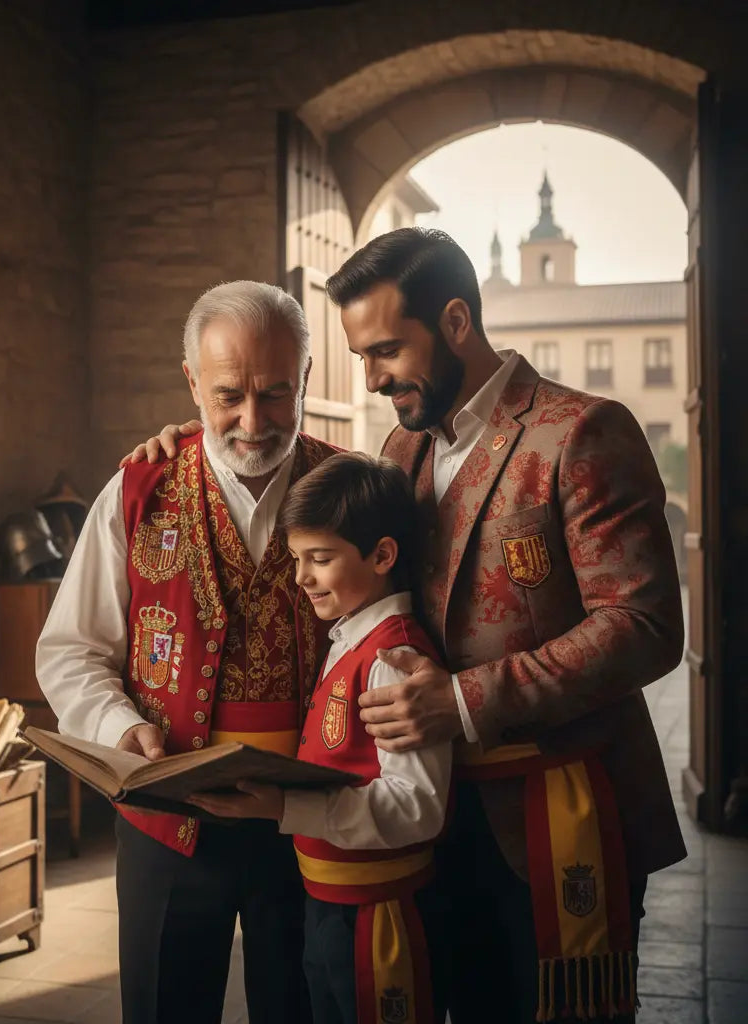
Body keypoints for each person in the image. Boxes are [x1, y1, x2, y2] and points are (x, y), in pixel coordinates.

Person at [127, 228, 686, 1024]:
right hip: (428, 828)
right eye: (359, 356)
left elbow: (644, 625)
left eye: (387, 349)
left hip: (556, 812)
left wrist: (460, 702)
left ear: (456, 321)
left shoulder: (581, 431)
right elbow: (314, 499)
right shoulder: (399, 445)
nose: (373, 376)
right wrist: (196, 442)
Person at [36, 280, 341, 1024]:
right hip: (166, 821)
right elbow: (72, 648)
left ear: (305, 378)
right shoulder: (137, 489)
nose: (250, 420)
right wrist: (118, 730)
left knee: (305, 1006)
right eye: (228, 394)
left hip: (310, 817)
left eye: (275, 394)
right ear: (192, 382)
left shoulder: (347, 490)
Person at [189, 452, 452, 1024]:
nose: (302, 576)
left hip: (379, 911)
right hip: (329, 900)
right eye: (298, 558)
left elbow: (417, 807)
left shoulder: (393, 659)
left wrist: (285, 805)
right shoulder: (349, 638)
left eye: (321, 559)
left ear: (382, 555)